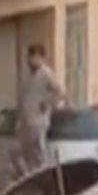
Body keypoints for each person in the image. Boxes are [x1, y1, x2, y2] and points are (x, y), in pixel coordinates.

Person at [19, 45, 64, 174]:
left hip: (39, 121)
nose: (30, 60)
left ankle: (42, 174)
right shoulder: (27, 75)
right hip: (26, 121)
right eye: (29, 56)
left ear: (41, 58)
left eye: (34, 56)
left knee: (39, 153)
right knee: (27, 154)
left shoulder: (46, 74)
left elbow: (60, 93)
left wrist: (47, 103)